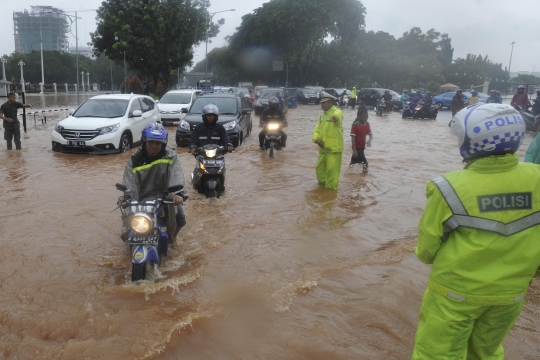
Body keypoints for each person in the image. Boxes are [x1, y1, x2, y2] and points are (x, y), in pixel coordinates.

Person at [412, 103, 540, 359]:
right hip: (510, 295)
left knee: (436, 354)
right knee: (485, 353)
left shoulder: (447, 187)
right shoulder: (536, 177)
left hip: (453, 294)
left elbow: (427, 250)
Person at [122, 122, 188, 243]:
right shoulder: (134, 161)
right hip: (142, 200)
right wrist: (127, 198)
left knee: (180, 217)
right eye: (150, 142)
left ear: (163, 144)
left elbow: (177, 175)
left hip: (166, 199)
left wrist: (178, 194)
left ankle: (172, 239)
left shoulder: (171, 156)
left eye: (158, 143)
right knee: (127, 221)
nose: (154, 146)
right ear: (144, 142)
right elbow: (130, 183)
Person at [312, 91, 344, 190]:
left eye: (324, 102)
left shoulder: (336, 112)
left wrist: (335, 118)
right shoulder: (322, 117)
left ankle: (330, 197)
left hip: (333, 150)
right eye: (321, 102)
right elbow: (317, 130)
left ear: (330, 103)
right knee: (319, 171)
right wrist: (316, 139)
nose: (321, 104)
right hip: (323, 149)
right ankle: (322, 193)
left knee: (331, 174)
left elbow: (338, 118)